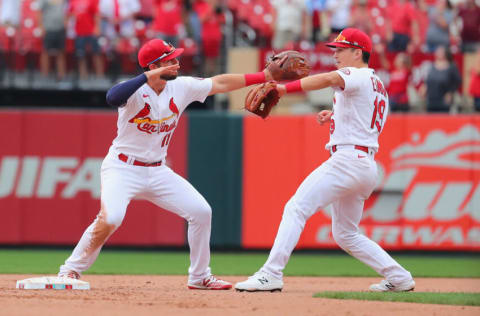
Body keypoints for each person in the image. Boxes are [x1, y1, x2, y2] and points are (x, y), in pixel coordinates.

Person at [58, 38, 280, 290]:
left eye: (175, 59)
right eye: (171, 60)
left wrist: (261, 75)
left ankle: (199, 277)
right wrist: (149, 76)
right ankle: (70, 270)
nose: (177, 63)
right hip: (122, 168)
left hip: (157, 170)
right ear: (154, 66)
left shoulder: (181, 86)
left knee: (201, 212)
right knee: (112, 218)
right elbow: (112, 96)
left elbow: (219, 82)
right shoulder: (134, 91)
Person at [235, 28, 415, 293]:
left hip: (347, 161)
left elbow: (329, 78)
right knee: (346, 234)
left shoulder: (355, 74)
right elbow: (366, 118)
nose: (336, 55)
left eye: (342, 50)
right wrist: (335, 115)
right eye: (335, 50)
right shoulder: (378, 85)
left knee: (296, 208)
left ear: (358, 52)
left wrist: (284, 89)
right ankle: (400, 278)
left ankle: (270, 273)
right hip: (365, 164)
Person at [422, 45, 461, 113]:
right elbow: (428, 79)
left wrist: (450, 92)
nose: (438, 53)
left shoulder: (451, 66)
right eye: (437, 52)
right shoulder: (432, 66)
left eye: (441, 52)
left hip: (444, 99)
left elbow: (458, 81)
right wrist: (424, 87)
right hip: (431, 98)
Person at [37, 0, 68, 82]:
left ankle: (61, 75)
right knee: (45, 52)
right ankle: (45, 75)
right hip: (48, 29)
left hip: (60, 29)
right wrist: (41, 27)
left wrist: (66, 23)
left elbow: (66, 12)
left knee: (61, 53)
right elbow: (39, 12)